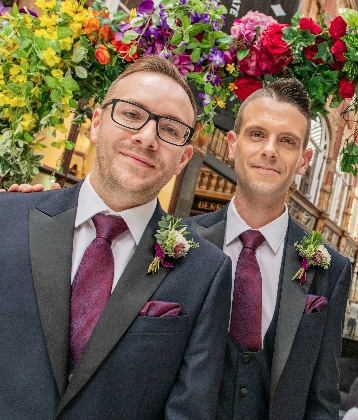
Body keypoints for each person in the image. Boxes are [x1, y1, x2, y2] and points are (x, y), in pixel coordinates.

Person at [0, 56, 233, 419]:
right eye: (131, 114)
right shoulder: (7, 218)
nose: (147, 137)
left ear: (184, 157)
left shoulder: (205, 272)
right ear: (96, 122)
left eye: (170, 130)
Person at [189, 78, 352, 420]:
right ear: (232, 145)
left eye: (287, 141)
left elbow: (322, 396)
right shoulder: (180, 243)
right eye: (257, 134)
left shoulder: (330, 270)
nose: (270, 150)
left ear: (304, 160)